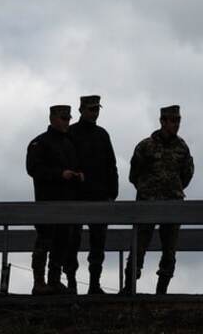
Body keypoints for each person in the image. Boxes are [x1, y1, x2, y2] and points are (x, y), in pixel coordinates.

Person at [122, 105, 194, 294]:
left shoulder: (182, 147)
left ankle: (162, 290)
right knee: (138, 247)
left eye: (178, 121)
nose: (176, 125)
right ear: (162, 121)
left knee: (169, 250)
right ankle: (129, 287)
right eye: (172, 121)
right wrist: (147, 190)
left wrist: (173, 191)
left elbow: (187, 174)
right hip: (147, 203)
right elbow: (133, 174)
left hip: (172, 204)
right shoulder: (146, 146)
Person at [26, 105, 84, 295]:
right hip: (46, 202)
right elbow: (34, 169)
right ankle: (39, 282)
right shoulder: (40, 143)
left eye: (68, 118)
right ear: (52, 118)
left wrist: (77, 175)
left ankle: (54, 280)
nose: (66, 122)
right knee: (44, 241)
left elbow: (76, 164)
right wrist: (59, 174)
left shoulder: (70, 143)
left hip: (67, 202)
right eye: (63, 118)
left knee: (62, 241)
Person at [65, 95, 119, 294]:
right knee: (72, 243)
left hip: (99, 197)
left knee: (98, 243)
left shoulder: (102, 135)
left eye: (97, 109)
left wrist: (112, 192)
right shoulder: (70, 133)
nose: (95, 113)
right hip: (76, 197)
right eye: (91, 109)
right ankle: (71, 283)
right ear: (82, 110)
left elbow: (111, 165)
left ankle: (94, 284)